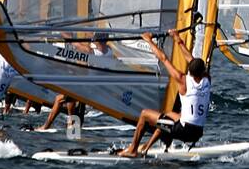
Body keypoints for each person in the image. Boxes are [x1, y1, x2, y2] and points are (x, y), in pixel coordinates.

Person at [117, 29, 211, 157]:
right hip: (198, 132)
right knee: (170, 115)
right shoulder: (207, 79)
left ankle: (133, 150)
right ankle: (147, 147)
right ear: (202, 71)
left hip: (184, 131)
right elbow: (192, 60)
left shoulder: (182, 79)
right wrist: (177, 39)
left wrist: (148, 40)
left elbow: (163, 58)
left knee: (145, 114)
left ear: (190, 70)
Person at [39, 32, 109, 131]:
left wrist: (63, 34)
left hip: (87, 88)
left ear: (98, 41)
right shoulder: (109, 52)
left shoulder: (92, 52)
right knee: (73, 98)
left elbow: (75, 44)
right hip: (93, 87)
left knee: (59, 99)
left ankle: (45, 127)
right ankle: (73, 126)